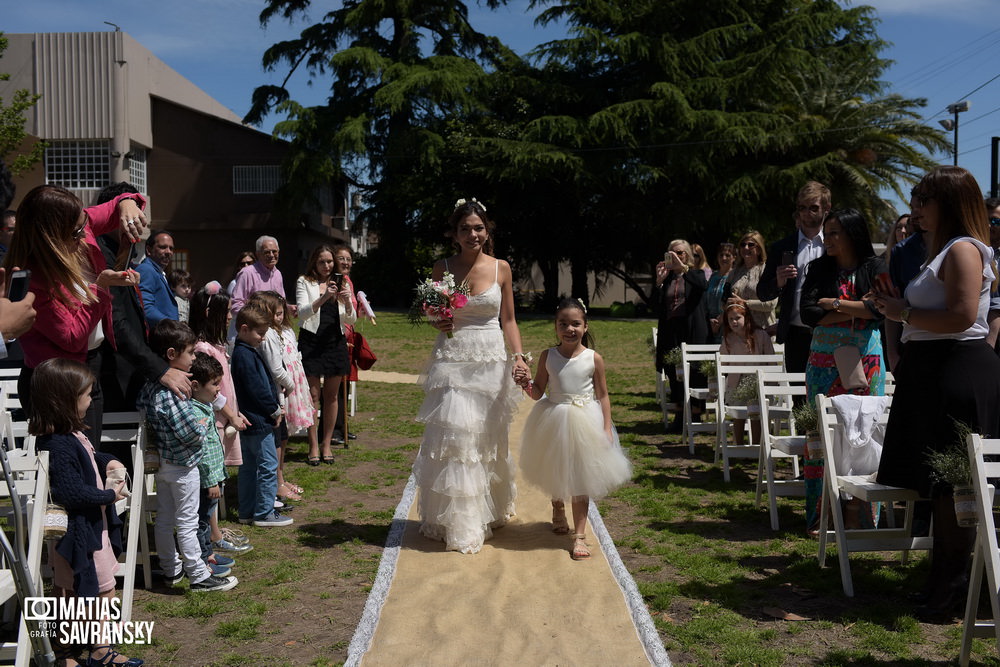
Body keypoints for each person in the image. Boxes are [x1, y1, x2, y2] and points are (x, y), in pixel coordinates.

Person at [873, 166, 1000, 621]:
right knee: (939, 487)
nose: (916, 207)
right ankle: (940, 581)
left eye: (924, 199)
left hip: (956, 370)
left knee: (955, 487)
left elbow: (964, 316)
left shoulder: (963, 249)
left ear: (948, 202)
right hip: (933, 371)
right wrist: (897, 308)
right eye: (915, 197)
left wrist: (903, 312)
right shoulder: (940, 248)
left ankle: (954, 587)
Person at [413, 197, 529, 554]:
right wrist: (437, 318)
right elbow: (433, 313)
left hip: (491, 359)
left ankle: (487, 510)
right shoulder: (441, 267)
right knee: (457, 440)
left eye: (478, 228)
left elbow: (508, 320)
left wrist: (519, 357)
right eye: (465, 229)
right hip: (453, 360)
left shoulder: (502, 268)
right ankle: (460, 523)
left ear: (487, 230)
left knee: (487, 439)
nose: (472, 234)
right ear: (455, 234)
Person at [9, 184, 146, 444]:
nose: (84, 235)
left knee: (88, 461)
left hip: (84, 370)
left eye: (84, 226)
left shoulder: (77, 224)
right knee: (72, 467)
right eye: (75, 233)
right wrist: (101, 288)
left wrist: (127, 202)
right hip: (55, 382)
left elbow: (112, 209)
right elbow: (71, 336)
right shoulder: (34, 276)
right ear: (49, 236)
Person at [30, 358, 141, 667]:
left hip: (91, 530)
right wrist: (109, 495)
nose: (92, 400)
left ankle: (96, 648)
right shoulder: (58, 444)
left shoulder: (72, 437)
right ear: (64, 400)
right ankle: (70, 653)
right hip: (76, 534)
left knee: (99, 588)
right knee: (72, 594)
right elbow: (70, 492)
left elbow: (91, 456)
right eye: (87, 394)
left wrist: (109, 461)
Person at [518, 298, 631, 560]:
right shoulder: (549, 356)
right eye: (563, 324)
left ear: (586, 326)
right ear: (555, 327)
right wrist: (525, 383)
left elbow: (603, 396)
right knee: (556, 465)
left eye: (576, 324)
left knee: (580, 476)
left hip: (585, 421)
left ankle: (579, 535)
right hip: (553, 417)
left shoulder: (594, 358)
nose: (570, 329)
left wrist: (606, 427)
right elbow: (537, 392)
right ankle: (558, 505)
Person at [799, 208, 886, 533]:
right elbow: (808, 314)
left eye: (834, 232)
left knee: (864, 434)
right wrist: (857, 309)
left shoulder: (875, 267)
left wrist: (833, 304)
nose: (827, 238)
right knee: (821, 437)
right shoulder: (819, 267)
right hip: (823, 363)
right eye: (827, 232)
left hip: (867, 363)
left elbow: (879, 310)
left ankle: (859, 518)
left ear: (852, 233)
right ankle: (822, 517)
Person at [137, 320, 238, 592]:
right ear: (172, 354)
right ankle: (198, 575)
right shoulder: (172, 391)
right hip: (184, 466)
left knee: (165, 519)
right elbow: (190, 432)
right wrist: (202, 428)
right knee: (187, 522)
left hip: (165, 465)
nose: (194, 358)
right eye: (191, 352)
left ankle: (171, 570)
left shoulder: (150, 385)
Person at [94, 182, 191, 417]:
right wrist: (159, 370)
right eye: (133, 214)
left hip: (130, 369)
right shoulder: (100, 254)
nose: (139, 223)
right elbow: (116, 323)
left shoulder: (121, 252)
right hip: (113, 373)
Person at [188, 283, 253, 556]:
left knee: (219, 480)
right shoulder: (202, 347)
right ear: (208, 311)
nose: (230, 316)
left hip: (224, 420)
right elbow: (211, 394)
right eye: (225, 311)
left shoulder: (214, 343)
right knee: (212, 481)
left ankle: (214, 532)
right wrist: (231, 417)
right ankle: (213, 535)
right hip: (214, 422)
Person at [758, 181, 831, 372]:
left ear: (826, 208)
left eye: (814, 208)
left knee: (829, 397)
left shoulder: (835, 243)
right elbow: (763, 292)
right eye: (802, 208)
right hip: (795, 333)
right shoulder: (783, 247)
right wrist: (778, 282)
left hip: (829, 330)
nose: (807, 213)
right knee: (798, 397)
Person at [247, 290, 311, 502]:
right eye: (276, 314)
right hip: (280, 390)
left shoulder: (284, 331)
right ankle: (276, 481)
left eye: (282, 313)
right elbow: (275, 367)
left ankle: (280, 478)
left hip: (288, 387)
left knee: (283, 437)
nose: (280, 317)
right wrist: (290, 385)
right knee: (278, 437)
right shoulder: (268, 336)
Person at [231, 304, 290, 527]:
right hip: (258, 420)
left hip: (249, 420)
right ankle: (264, 512)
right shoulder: (245, 355)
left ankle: (246, 511)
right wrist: (274, 409)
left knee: (247, 467)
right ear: (244, 329)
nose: (263, 339)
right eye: (260, 334)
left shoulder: (242, 352)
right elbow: (257, 388)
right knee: (267, 465)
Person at [296, 244, 356, 464]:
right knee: (313, 396)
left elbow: (351, 320)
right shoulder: (305, 281)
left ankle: (327, 443)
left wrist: (347, 300)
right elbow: (302, 313)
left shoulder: (342, 283)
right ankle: (312, 445)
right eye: (322, 261)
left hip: (335, 342)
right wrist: (323, 297)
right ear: (314, 262)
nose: (326, 265)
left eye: (330, 261)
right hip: (312, 342)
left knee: (331, 396)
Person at [189, 352, 238, 577]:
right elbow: (202, 452)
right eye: (215, 384)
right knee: (201, 522)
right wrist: (210, 481)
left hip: (213, 476)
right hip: (205, 480)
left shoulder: (206, 403)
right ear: (196, 385)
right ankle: (202, 561)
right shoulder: (195, 410)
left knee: (206, 520)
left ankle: (207, 554)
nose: (219, 389)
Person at [654, 238, 708, 433]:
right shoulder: (667, 279)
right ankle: (678, 413)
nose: (676, 256)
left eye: (681, 253)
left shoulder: (696, 274)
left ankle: (694, 414)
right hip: (671, 330)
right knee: (673, 370)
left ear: (688, 255)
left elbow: (702, 286)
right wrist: (659, 282)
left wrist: (683, 268)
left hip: (692, 330)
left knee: (694, 371)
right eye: (672, 253)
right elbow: (656, 306)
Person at [718, 302, 774, 447]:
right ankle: (738, 444)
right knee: (739, 414)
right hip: (736, 382)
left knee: (755, 414)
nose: (734, 322)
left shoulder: (761, 335)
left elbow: (771, 361)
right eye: (730, 319)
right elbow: (723, 364)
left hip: (758, 382)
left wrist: (771, 384)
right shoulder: (728, 339)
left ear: (747, 317)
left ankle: (756, 445)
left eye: (737, 318)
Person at [727, 230, 777, 332]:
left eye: (750, 245)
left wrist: (744, 303)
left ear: (759, 249)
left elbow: (771, 304)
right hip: (738, 332)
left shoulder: (767, 271)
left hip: (763, 331)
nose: (746, 248)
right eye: (743, 244)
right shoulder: (734, 272)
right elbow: (723, 300)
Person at [231, 236, 286, 316]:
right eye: (267, 252)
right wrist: (255, 317)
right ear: (258, 254)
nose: (271, 255)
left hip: (274, 325)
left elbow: (281, 302)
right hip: (253, 325)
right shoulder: (247, 273)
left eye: (274, 251)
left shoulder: (278, 274)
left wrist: (288, 308)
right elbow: (235, 305)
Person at [136, 231, 179, 326]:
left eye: (171, 248)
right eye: (163, 247)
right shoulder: (146, 270)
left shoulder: (158, 271)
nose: (168, 252)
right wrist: (174, 325)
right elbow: (145, 308)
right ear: (149, 250)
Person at [705, 242, 735, 343]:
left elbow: (734, 300)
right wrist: (710, 321)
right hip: (710, 322)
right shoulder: (713, 276)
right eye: (721, 255)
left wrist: (720, 320)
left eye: (727, 255)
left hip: (728, 323)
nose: (724, 258)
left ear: (734, 257)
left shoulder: (735, 276)